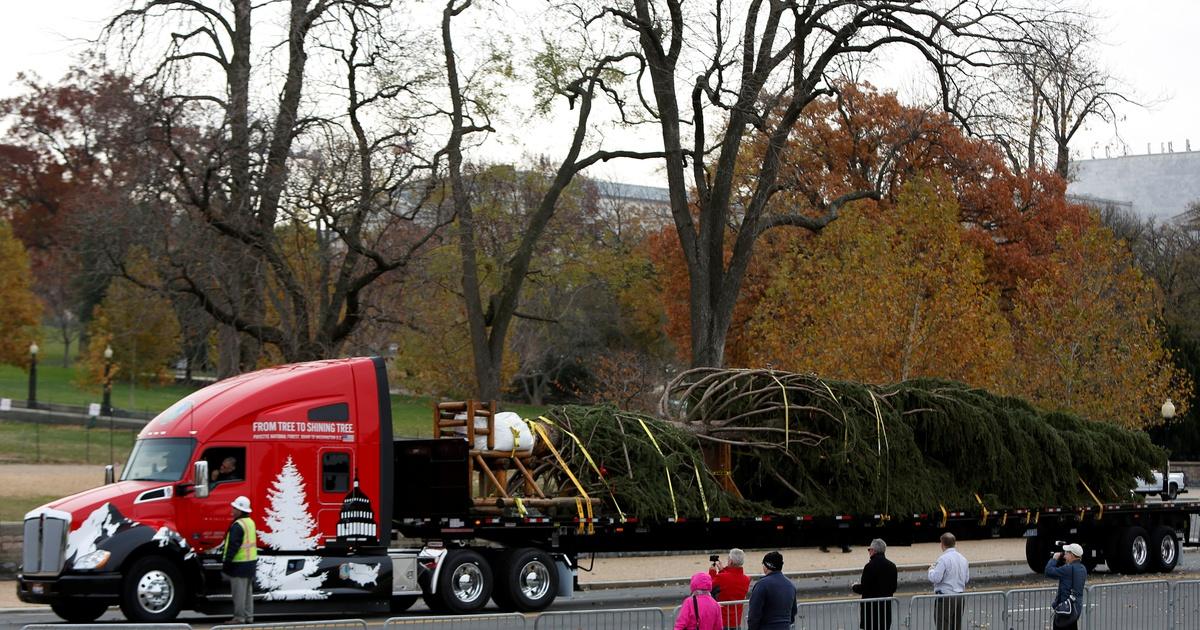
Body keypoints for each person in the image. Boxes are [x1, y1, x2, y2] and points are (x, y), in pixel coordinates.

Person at [223, 495, 257, 624]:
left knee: (238, 594)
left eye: (235, 508)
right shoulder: (250, 522)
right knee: (247, 593)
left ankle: (239, 618)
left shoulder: (238, 525)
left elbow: (233, 546)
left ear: (240, 510)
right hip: (250, 563)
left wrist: (227, 562)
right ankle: (249, 617)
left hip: (239, 564)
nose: (232, 510)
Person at [851, 538, 898, 630]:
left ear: (873, 551)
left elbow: (864, 588)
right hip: (885, 609)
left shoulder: (869, 566)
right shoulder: (892, 566)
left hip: (871, 611)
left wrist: (854, 586)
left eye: (869, 549)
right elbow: (893, 588)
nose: (869, 552)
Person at [928, 532, 970, 630]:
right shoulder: (963, 559)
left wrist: (930, 571)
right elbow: (966, 579)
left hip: (946, 597)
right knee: (956, 626)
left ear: (942, 544)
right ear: (954, 543)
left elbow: (936, 578)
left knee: (943, 625)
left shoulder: (943, 559)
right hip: (960, 597)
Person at [746, 551, 797, 630]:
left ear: (767, 565)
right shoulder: (791, 585)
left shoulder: (762, 584)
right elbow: (793, 612)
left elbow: (754, 614)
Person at [1045, 542, 1087, 630]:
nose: (1064, 556)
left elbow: (1048, 571)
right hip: (1075, 610)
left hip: (1065, 611)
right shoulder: (1083, 569)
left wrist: (1054, 559)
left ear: (1072, 555)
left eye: (1066, 553)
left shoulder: (1068, 569)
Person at [709, 548, 752, 630]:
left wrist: (712, 572)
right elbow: (731, 582)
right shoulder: (746, 579)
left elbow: (709, 586)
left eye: (728, 558)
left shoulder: (722, 577)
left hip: (721, 621)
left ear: (731, 561)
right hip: (736, 622)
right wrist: (722, 571)